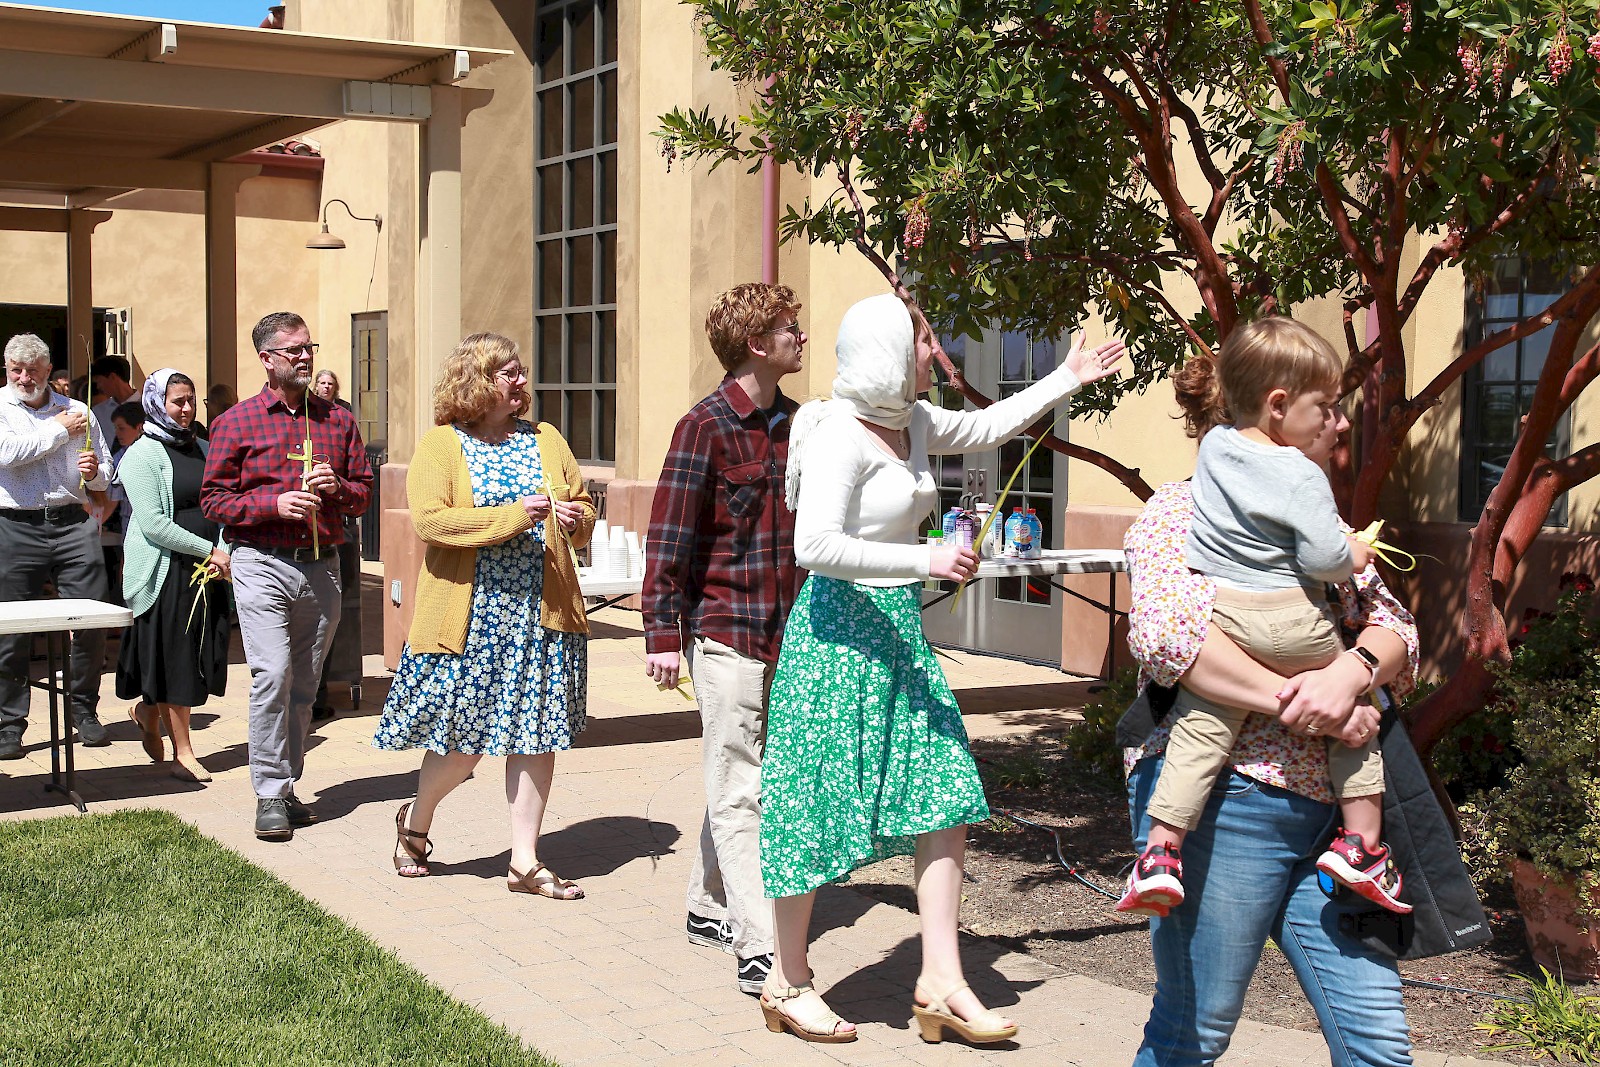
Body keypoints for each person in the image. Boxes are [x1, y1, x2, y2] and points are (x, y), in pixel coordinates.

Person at [758, 293, 1125, 1044]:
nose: (936, 352)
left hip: (895, 633)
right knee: (813, 808)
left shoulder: (914, 420)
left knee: (946, 791)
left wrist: (1067, 377)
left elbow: (988, 427)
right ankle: (787, 981)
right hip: (834, 641)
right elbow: (813, 546)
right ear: (888, 353)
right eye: (924, 341)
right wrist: (924, 557)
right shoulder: (837, 433)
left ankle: (941, 980)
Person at [1120, 347, 1420, 1066]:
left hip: (1340, 832)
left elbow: (1395, 626)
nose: (1342, 424)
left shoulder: (1319, 518)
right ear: (1275, 411)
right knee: (1193, 1034)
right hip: (1228, 806)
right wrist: (1316, 705)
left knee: (1379, 1044)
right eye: (1330, 409)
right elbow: (1170, 640)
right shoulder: (1179, 511)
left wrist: (1350, 672)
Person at [373, 332, 594, 900]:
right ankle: (415, 822)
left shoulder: (546, 438)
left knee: (537, 736)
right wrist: (515, 516)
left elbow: (583, 505)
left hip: (542, 614)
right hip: (471, 616)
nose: (521, 381)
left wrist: (576, 519)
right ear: (476, 381)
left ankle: (525, 861)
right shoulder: (442, 445)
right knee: (462, 744)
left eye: (521, 371)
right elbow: (431, 522)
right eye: (508, 373)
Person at [642, 282, 805, 995]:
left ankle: (706, 901)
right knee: (742, 786)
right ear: (756, 344)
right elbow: (669, 535)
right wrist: (661, 633)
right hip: (725, 630)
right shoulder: (702, 427)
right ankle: (760, 944)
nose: (801, 335)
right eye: (789, 326)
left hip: (789, 631)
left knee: (741, 776)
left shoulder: (800, 423)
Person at [201, 311, 372, 841]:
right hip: (261, 561)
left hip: (322, 566)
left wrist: (338, 488)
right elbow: (213, 500)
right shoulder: (236, 422)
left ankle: (287, 783)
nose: (304, 357)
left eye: (308, 347)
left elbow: (364, 493)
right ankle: (270, 792)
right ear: (266, 359)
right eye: (293, 349)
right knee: (272, 674)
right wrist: (271, 504)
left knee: (304, 683)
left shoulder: (337, 420)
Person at [0, 334, 114, 758]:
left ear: (48, 370)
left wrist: (95, 470)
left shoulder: (78, 411)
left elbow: (105, 474)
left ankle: (83, 708)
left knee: (92, 619)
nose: (23, 378)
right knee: (11, 630)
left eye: (32, 370)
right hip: (15, 524)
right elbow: (8, 453)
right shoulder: (3, 408)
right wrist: (57, 430)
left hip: (71, 522)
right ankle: (9, 723)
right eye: (16, 370)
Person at [116, 370, 231, 783]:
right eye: (177, 401)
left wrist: (223, 549)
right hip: (167, 570)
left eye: (191, 400)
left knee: (197, 655)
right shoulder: (140, 455)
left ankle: (147, 711)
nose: (186, 408)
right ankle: (184, 753)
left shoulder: (205, 447)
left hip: (208, 568)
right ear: (155, 403)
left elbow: (223, 504)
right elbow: (153, 524)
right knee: (178, 659)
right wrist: (209, 550)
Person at [90, 356, 138, 445]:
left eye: (99, 381)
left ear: (112, 377)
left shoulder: (148, 408)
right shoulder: (98, 412)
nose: (98, 387)